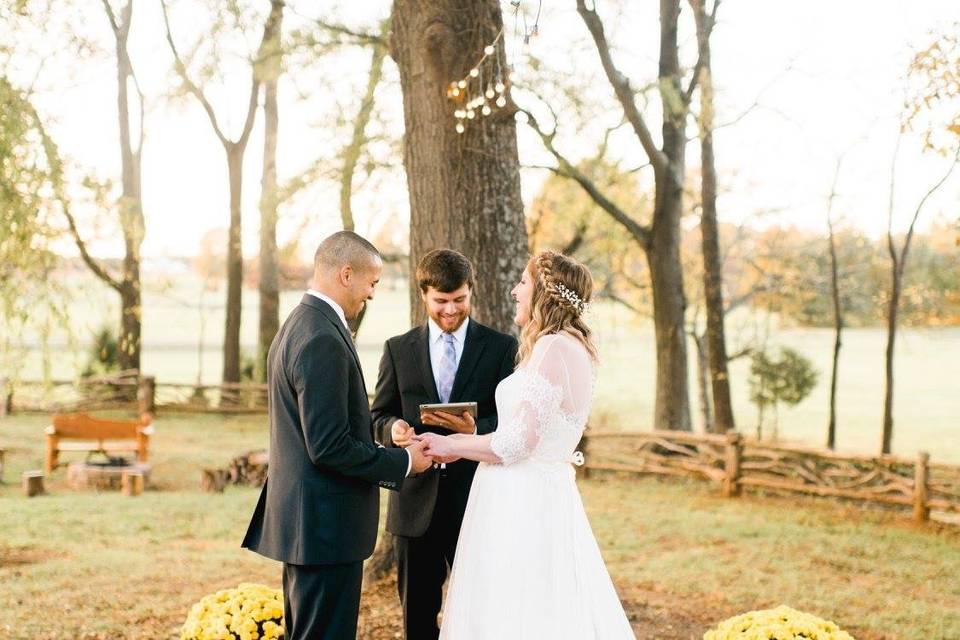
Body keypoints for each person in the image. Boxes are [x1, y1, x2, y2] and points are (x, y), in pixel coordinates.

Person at [416, 250, 636, 639]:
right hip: (539, 491)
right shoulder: (570, 346)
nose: (516, 291)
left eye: (523, 283)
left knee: (517, 606)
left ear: (545, 295)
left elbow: (516, 444)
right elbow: (531, 429)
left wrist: (452, 445)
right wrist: (473, 432)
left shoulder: (553, 347)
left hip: (522, 499)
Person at [241, 231, 433, 640]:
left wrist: (385, 438)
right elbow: (327, 446)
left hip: (310, 527)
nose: (373, 294)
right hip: (324, 529)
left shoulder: (302, 323)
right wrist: (403, 463)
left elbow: (327, 427)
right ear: (347, 274)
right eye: (372, 282)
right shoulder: (322, 337)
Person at [371, 248, 518, 640]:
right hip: (414, 506)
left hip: (477, 501)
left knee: (482, 613)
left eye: (459, 300)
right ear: (423, 295)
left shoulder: (501, 348)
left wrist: (476, 429)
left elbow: (513, 422)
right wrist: (395, 431)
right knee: (417, 618)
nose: (451, 310)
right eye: (441, 301)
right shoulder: (398, 349)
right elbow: (377, 416)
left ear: (471, 291)